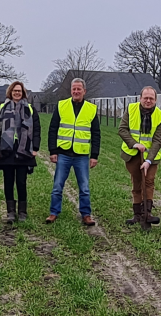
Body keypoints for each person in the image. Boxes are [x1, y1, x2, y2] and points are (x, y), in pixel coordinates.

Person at [46, 78, 100, 226]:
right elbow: (53, 129)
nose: (76, 92)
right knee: (57, 186)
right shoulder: (61, 106)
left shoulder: (91, 109)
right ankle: (53, 212)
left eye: (79, 89)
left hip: (81, 155)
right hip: (63, 153)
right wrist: (53, 151)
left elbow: (96, 133)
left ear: (84, 91)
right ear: (71, 91)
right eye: (74, 89)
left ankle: (86, 215)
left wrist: (94, 155)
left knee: (84, 188)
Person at [0, 81, 41, 223]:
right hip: (6, 150)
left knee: (21, 181)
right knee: (8, 182)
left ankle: (22, 212)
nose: (17, 93)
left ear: (23, 93)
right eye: (15, 91)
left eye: (19, 91)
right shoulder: (2, 108)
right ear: (10, 92)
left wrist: (35, 148)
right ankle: (11, 212)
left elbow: (36, 129)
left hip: (24, 150)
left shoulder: (30, 109)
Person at [118, 86, 161, 225]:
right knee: (137, 182)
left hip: (151, 156)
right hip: (132, 154)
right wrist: (134, 144)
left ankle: (148, 213)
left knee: (149, 181)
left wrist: (149, 161)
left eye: (151, 98)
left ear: (155, 100)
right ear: (140, 98)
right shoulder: (131, 109)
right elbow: (122, 130)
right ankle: (137, 214)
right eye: (145, 98)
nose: (148, 100)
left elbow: (158, 141)